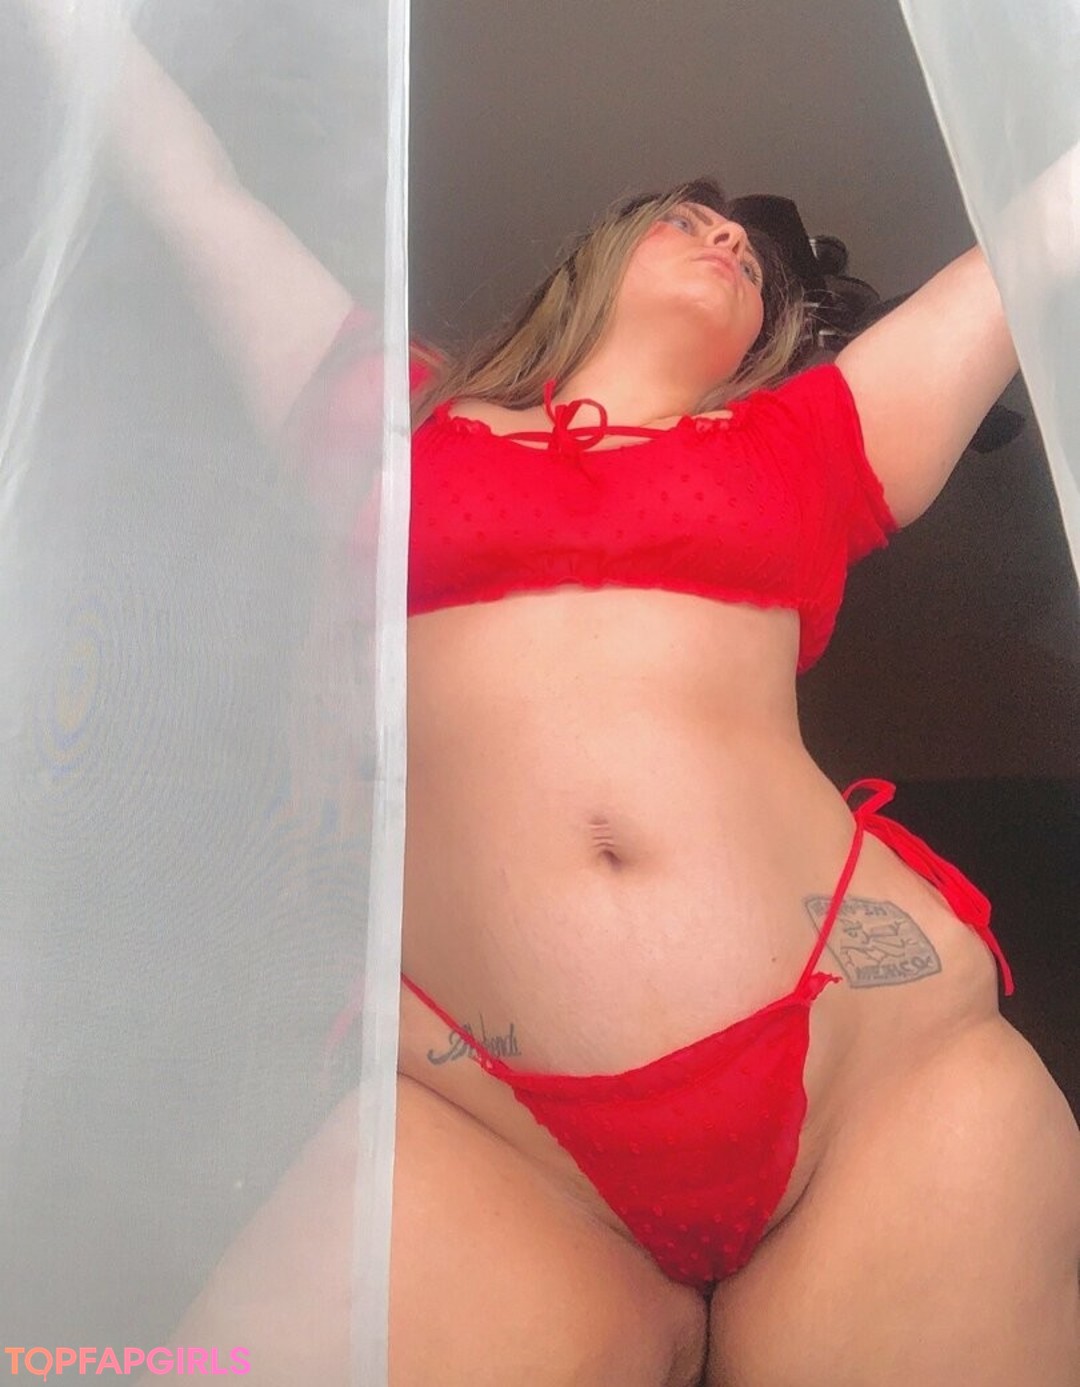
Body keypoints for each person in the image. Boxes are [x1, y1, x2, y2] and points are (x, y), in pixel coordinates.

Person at [20, 8, 1080, 1386]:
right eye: (684, 220)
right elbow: (194, 193)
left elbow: (1029, 245)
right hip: (492, 1129)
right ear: (591, 264)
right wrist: (67, 27)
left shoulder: (809, 442)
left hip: (870, 1080)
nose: (726, 238)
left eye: (747, 256)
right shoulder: (393, 422)